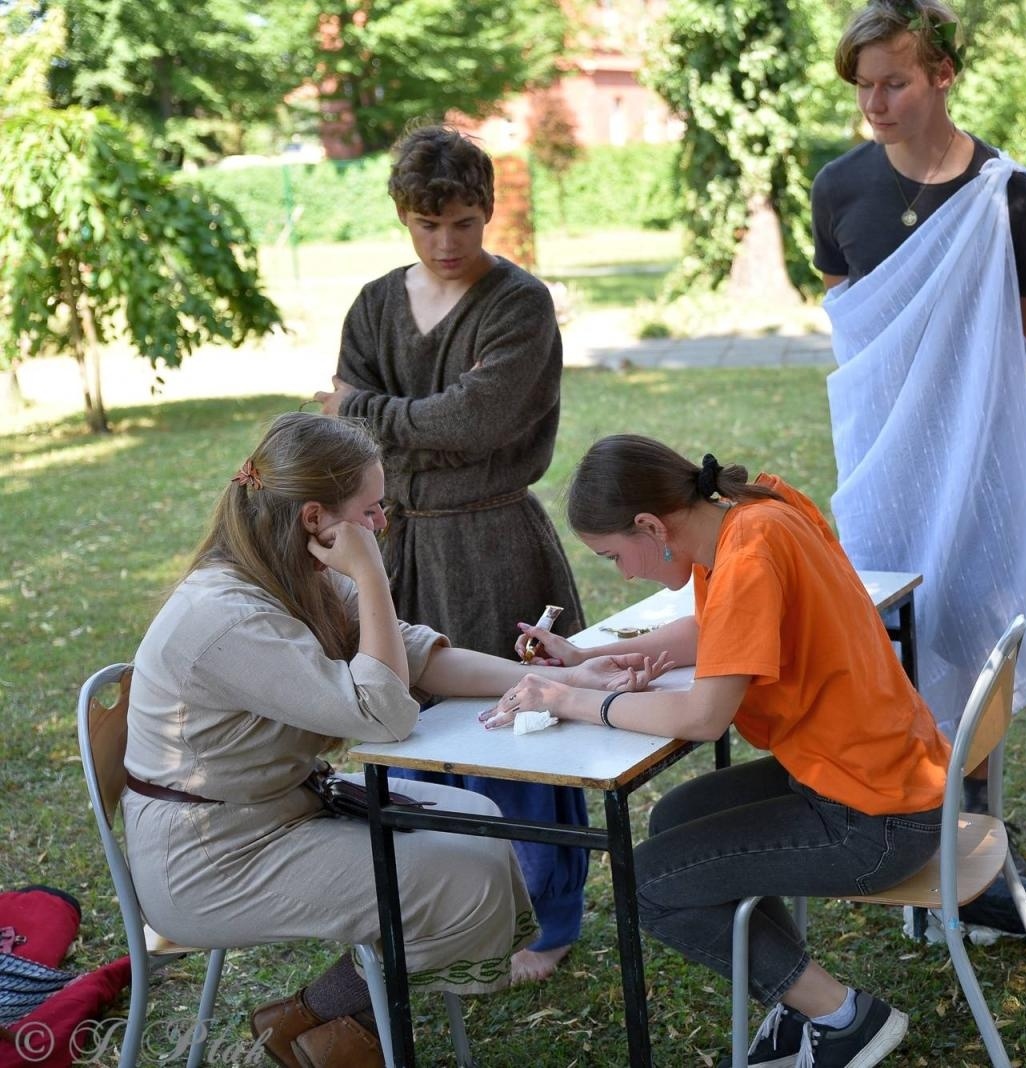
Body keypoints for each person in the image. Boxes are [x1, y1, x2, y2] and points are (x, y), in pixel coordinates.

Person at [122, 413, 664, 1068]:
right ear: (316, 518)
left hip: (274, 812)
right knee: (461, 880)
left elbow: (416, 657)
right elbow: (383, 713)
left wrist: (563, 679)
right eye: (372, 510)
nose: (383, 522)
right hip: (210, 856)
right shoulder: (227, 617)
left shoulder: (287, 573)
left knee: (481, 824)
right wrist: (372, 576)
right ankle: (322, 1020)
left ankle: (317, 1016)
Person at [488, 434, 951, 1068]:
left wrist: (570, 699)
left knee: (644, 883)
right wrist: (587, 658)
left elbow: (704, 717)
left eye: (615, 556)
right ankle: (799, 1002)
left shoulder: (748, 555)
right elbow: (714, 630)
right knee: (675, 818)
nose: (624, 574)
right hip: (879, 778)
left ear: (652, 526)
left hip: (876, 821)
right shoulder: (751, 515)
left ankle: (842, 1016)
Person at [315, 122, 589, 982]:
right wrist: (383, 424)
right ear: (404, 217)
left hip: (492, 540)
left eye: (463, 223)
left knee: (523, 722)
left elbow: (477, 419)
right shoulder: (374, 304)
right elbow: (348, 439)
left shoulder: (517, 303)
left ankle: (551, 918)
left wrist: (368, 410)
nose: (446, 243)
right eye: (427, 225)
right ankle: (449, 907)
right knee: (411, 720)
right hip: (394, 543)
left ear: (488, 212)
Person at [811, 0, 1026, 814]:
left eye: (895, 83)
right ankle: (911, 814)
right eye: (863, 86)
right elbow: (860, 332)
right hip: (880, 454)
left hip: (978, 451)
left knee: (976, 628)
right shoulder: (837, 188)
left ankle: (978, 824)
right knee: (888, 627)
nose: (875, 103)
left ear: (943, 75)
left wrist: (951, 401)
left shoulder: (1009, 196)